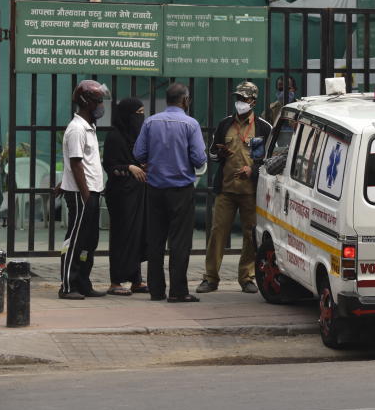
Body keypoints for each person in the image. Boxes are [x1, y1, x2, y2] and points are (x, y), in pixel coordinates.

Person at [133, 83, 207, 303]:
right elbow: (199, 159)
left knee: (155, 240)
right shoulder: (190, 124)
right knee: (180, 242)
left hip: (155, 189)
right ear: (185, 100)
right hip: (181, 190)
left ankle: (156, 290)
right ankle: (178, 291)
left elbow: (138, 153)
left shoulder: (150, 122)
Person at [197, 81, 272, 294]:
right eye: (238, 98)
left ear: (253, 102)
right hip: (226, 191)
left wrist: (252, 169)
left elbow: (270, 160)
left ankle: (246, 277)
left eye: (244, 99)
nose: (240, 102)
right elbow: (211, 153)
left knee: (250, 236)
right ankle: (210, 278)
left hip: (250, 192)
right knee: (217, 233)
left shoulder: (264, 127)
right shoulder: (225, 125)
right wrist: (220, 154)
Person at [58, 80, 110, 300]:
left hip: (90, 192)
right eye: (98, 101)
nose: (101, 106)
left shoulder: (89, 127)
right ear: (86, 102)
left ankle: (83, 282)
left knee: (89, 242)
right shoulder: (77, 129)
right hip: (82, 195)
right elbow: (76, 163)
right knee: (75, 240)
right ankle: (68, 286)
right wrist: (86, 195)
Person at [102, 97, 149, 296]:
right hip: (121, 194)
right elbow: (110, 165)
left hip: (138, 192)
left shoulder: (138, 137)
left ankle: (136, 280)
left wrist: (143, 166)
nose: (141, 117)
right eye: (138, 113)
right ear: (127, 115)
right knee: (122, 236)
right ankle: (116, 281)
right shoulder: (114, 137)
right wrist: (128, 167)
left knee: (137, 235)